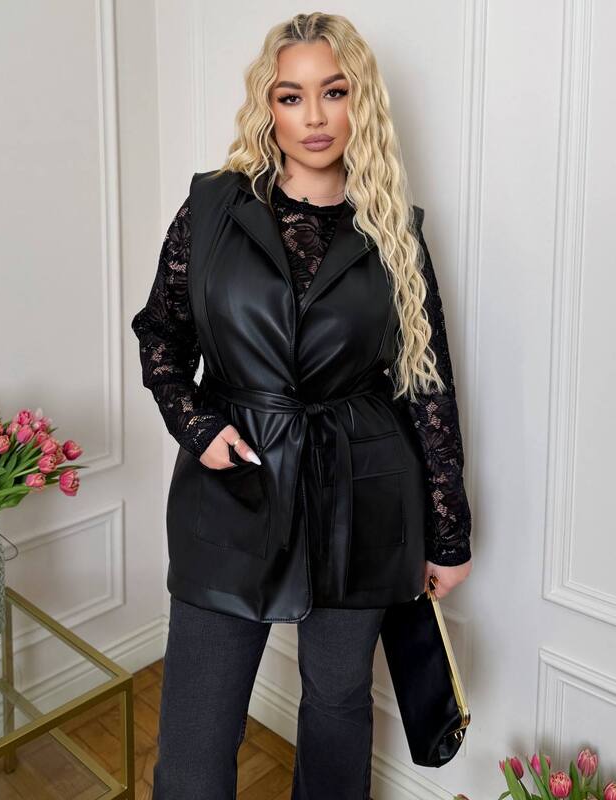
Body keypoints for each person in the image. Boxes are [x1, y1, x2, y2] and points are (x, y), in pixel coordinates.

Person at [131, 11, 473, 799]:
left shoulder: (394, 231)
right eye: (291, 96)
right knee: (194, 737)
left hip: (362, 493)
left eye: (334, 92)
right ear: (269, 106)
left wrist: (448, 533)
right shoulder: (211, 208)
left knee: (338, 702)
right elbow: (161, 334)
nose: (314, 116)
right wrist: (197, 425)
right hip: (231, 488)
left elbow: (425, 384)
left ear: (361, 102)